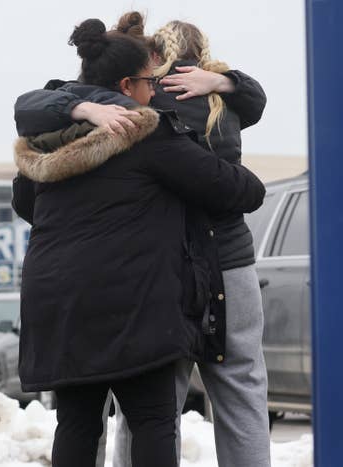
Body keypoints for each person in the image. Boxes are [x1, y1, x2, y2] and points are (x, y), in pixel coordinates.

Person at [14, 12, 270, 467]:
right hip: (177, 277)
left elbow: (25, 197)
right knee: (180, 406)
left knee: (78, 418)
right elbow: (241, 188)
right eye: (149, 81)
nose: (157, 87)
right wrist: (227, 84)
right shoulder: (158, 124)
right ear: (131, 81)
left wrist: (82, 107)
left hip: (63, 296)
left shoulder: (48, 129)